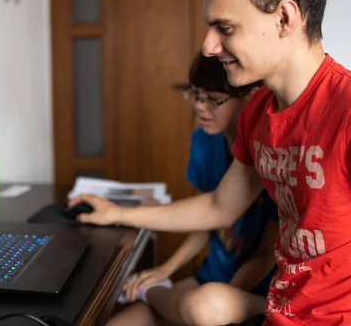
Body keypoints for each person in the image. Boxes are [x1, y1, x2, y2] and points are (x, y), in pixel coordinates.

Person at [70, 0, 351, 324]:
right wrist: (118, 213)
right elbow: (220, 206)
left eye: (225, 28)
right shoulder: (258, 111)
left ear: (285, 18)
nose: (208, 46)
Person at [107, 53, 278, 326]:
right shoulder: (204, 142)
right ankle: (157, 292)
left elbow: (266, 254)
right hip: (209, 282)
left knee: (203, 307)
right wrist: (166, 269)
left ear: (249, 99)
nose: (200, 106)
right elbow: (206, 220)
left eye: (213, 98)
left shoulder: (271, 156)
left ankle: (153, 294)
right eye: (195, 94)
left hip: (252, 291)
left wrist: (224, 302)